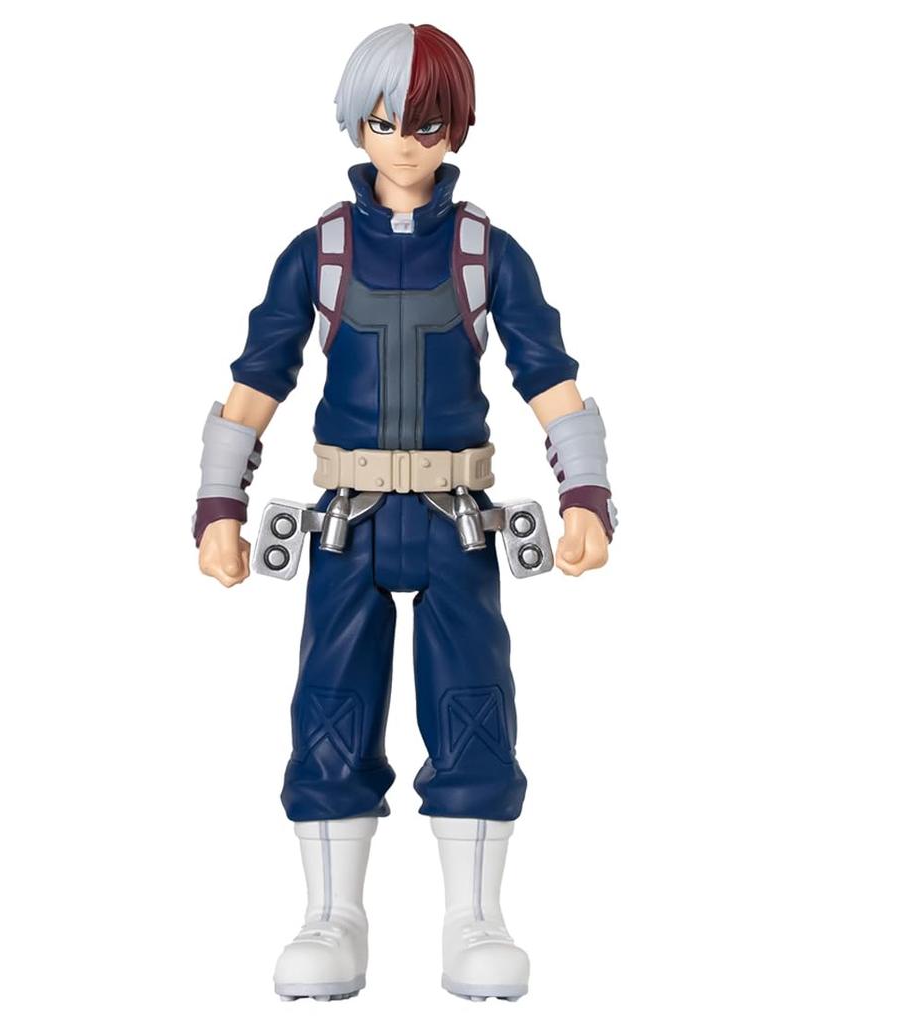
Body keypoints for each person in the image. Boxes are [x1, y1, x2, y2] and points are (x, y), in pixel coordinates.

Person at [192, 23, 616, 1002]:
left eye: (425, 125)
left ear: (455, 128)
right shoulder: (320, 254)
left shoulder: (485, 253)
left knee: (473, 707)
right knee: (329, 706)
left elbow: (547, 374)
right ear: (358, 124)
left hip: (457, 520)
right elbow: (256, 380)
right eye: (385, 122)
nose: (404, 143)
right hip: (346, 522)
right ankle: (330, 915)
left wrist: (586, 494)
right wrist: (218, 504)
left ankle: (475, 918)